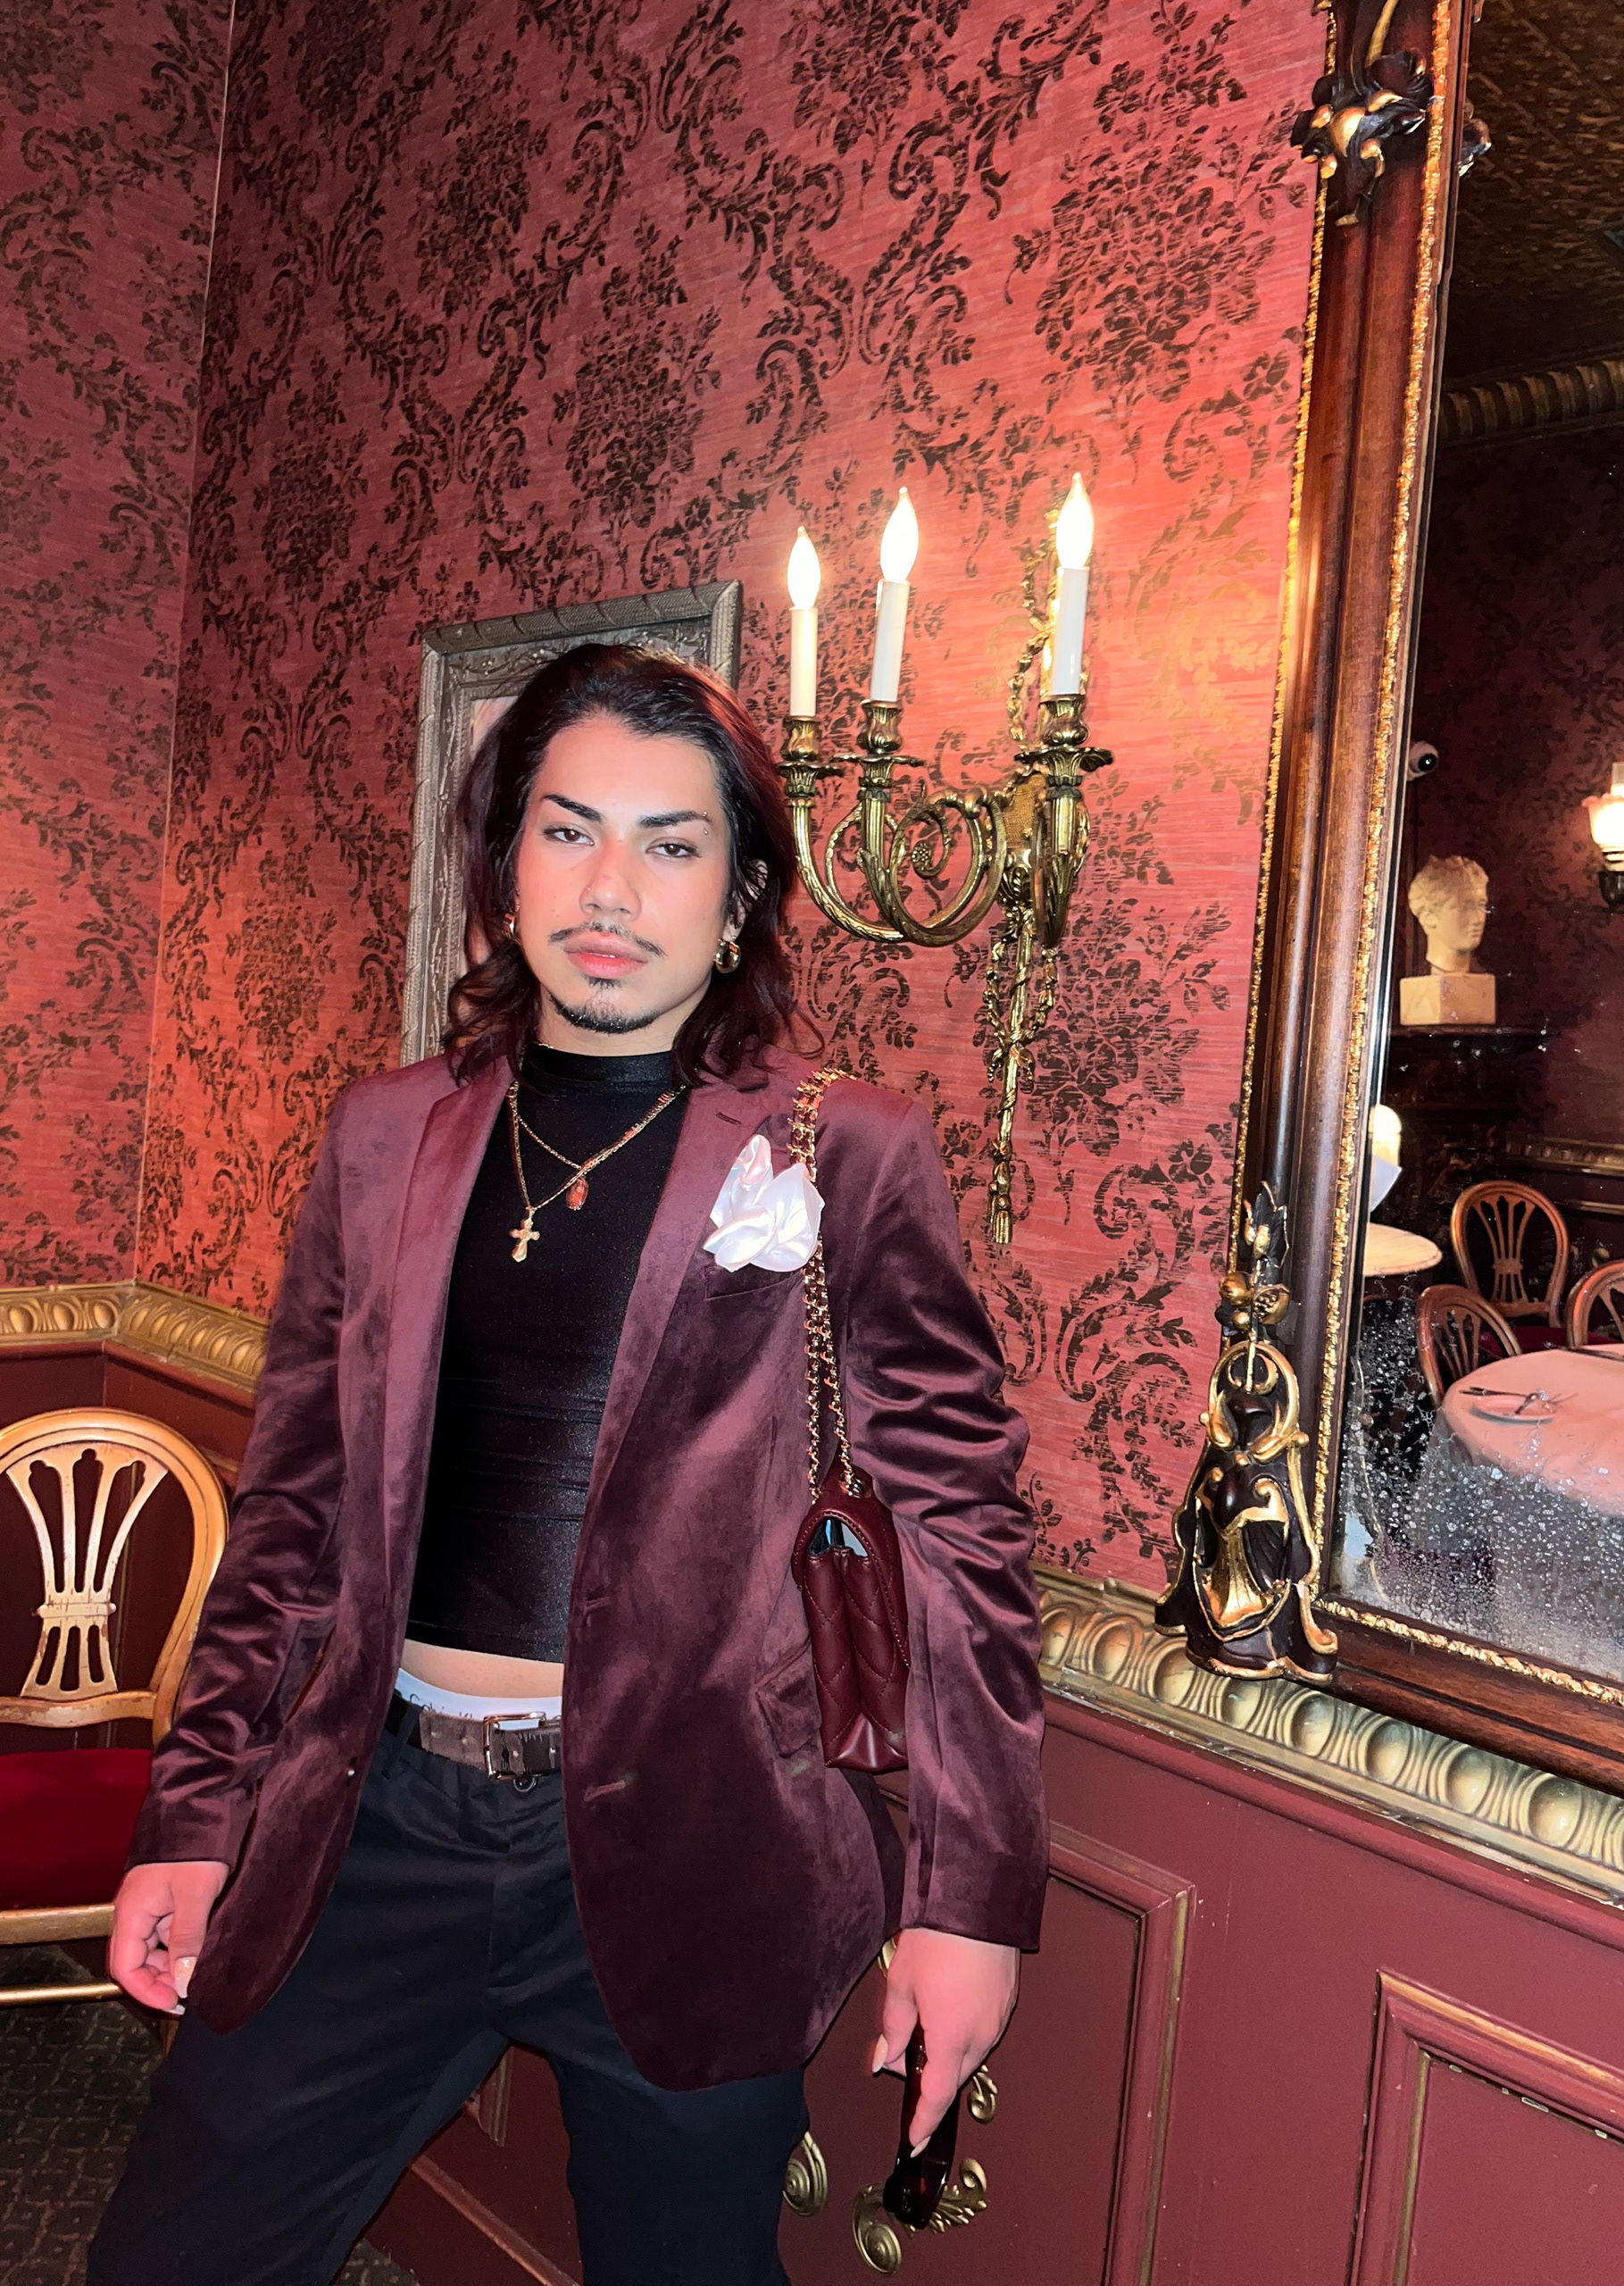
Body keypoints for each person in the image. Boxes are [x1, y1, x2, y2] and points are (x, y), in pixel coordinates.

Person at [89, 643, 1048, 2286]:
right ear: (505, 865)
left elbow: (960, 1537)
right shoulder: (384, 1134)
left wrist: (969, 1903)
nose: (612, 889)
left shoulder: (846, 1150)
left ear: (741, 895)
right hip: (374, 1821)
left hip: (699, 1853)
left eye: (672, 844)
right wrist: (196, 1809)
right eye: (568, 830)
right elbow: (296, 1508)